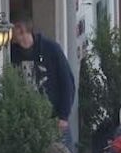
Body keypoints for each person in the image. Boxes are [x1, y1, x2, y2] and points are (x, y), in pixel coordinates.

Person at [10, 14, 77, 143]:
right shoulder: (13, 53)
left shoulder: (51, 49)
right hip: (30, 121)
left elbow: (67, 83)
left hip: (55, 119)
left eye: (13, 31)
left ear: (21, 30)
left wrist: (63, 116)